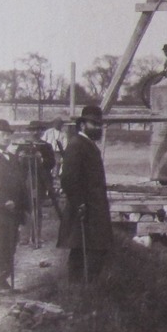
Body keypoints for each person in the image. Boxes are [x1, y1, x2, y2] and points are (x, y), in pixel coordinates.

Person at [57, 105, 113, 280]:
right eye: (94, 124)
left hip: (93, 209)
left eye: (99, 125)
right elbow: (68, 178)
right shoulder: (77, 145)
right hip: (85, 209)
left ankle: (85, 288)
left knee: (90, 249)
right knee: (85, 250)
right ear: (82, 125)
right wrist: (79, 203)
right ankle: (80, 289)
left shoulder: (88, 144)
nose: (98, 128)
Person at [0, 120, 29, 294]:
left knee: (10, 245)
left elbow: (21, 182)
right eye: (2, 134)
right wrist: (3, 200)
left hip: (13, 211)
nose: (6, 138)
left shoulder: (13, 158)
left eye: (8, 135)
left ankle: (3, 280)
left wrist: (24, 204)